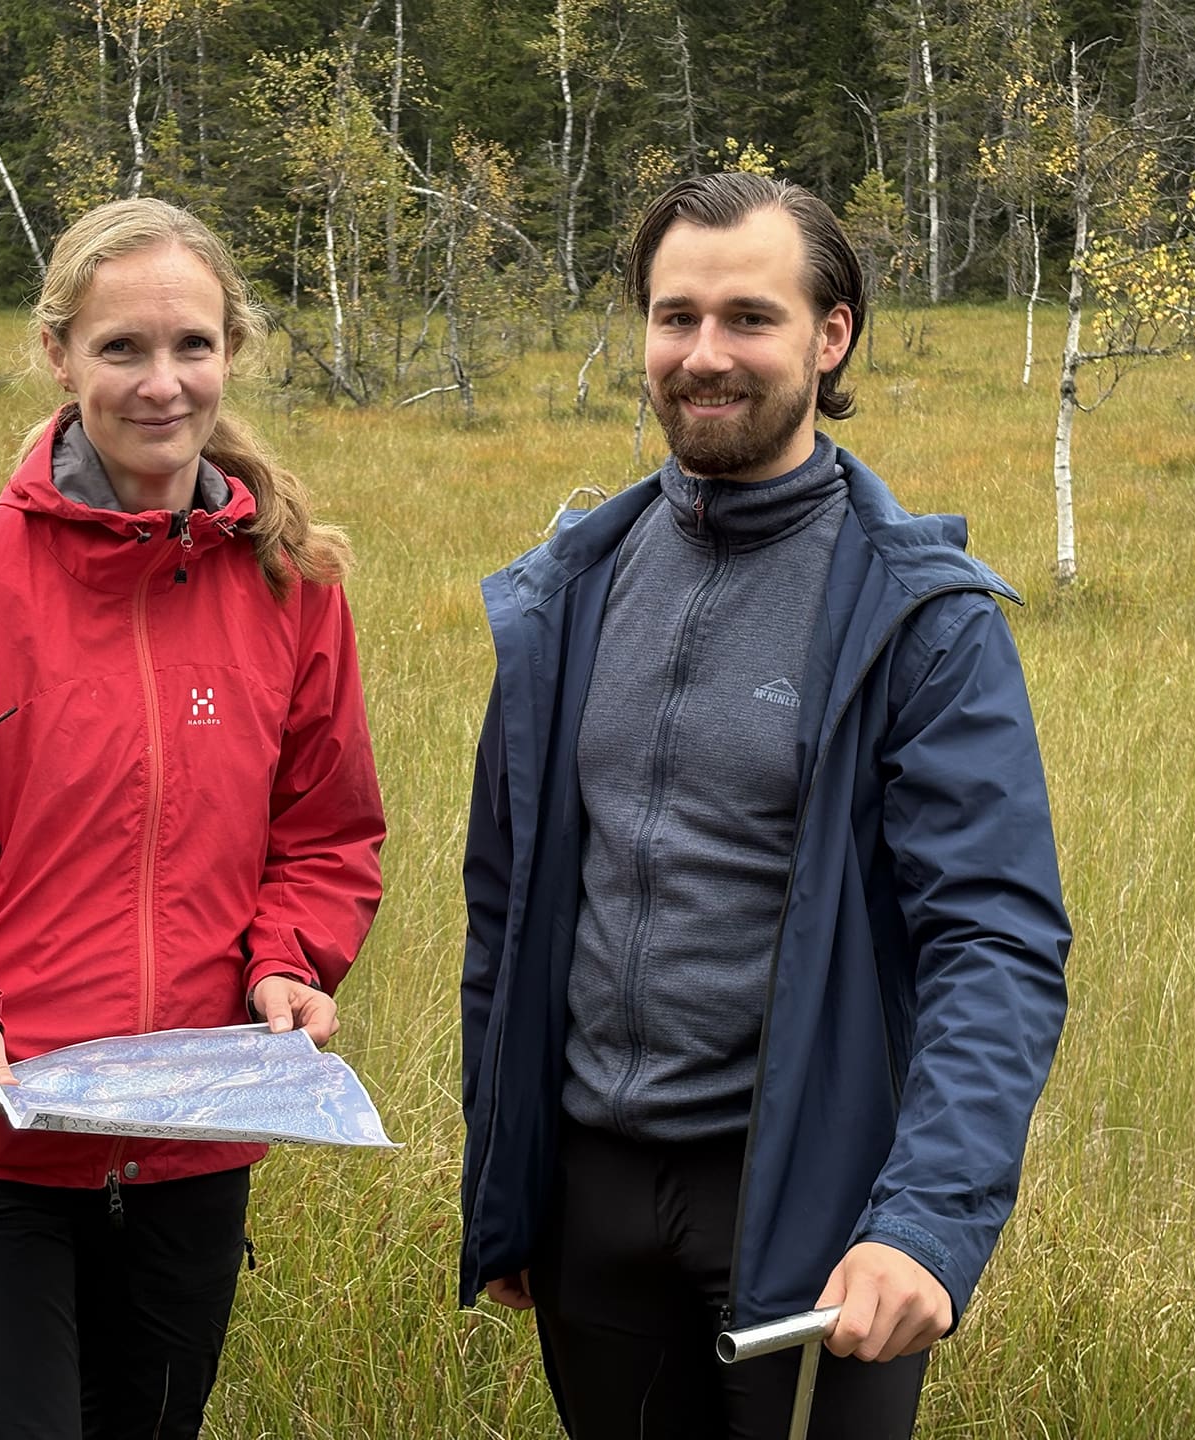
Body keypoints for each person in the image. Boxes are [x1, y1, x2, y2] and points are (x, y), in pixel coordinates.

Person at [457, 172, 1070, 1439]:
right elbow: (503, 908)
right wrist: (506, 1180)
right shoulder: (570, 592)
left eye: (750, 317)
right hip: (593, 1201)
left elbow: (997, 946)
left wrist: (922, 1224)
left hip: (810, 1209)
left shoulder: (917, 617)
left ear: (829, 335)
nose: (705, 356)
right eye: (675, 317)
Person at [0, 197, 386, 1440]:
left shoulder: (293, 587)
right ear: (59, 354)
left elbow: (327, 837)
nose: (161, 383)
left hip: (190, 1150)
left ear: (231, 350)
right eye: (121, 349)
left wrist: (290, 962)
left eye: (191, 346)